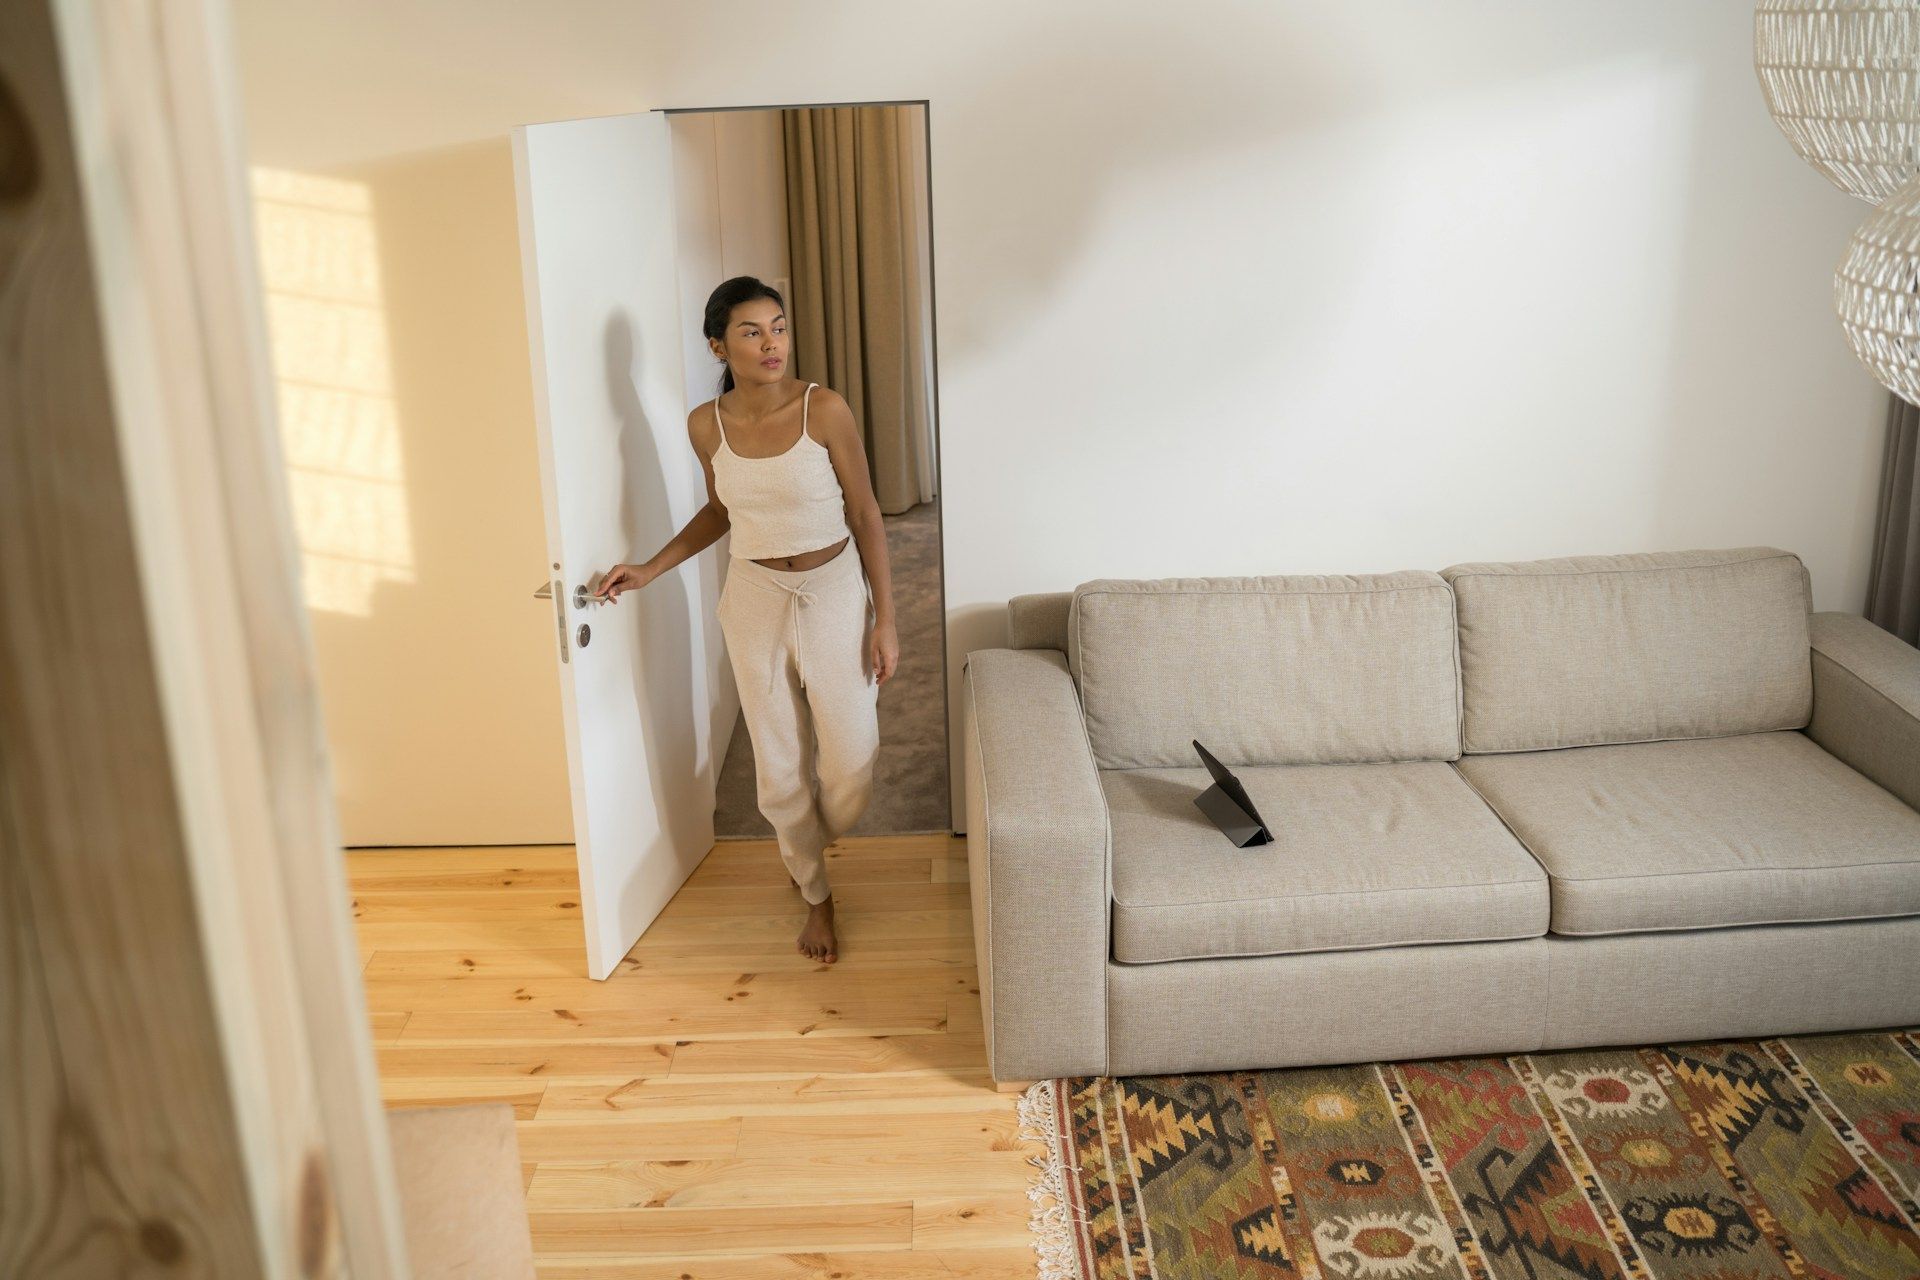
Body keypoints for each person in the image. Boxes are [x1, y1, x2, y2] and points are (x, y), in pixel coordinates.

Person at [593, 276, 899, 964]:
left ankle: (813, 839)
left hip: (835, 591)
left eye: (779, 328)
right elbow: (723, 512)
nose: (772, 344)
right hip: (754, 597)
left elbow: (867, 514)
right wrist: (649, 567)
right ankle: (815, 893)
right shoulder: (706, 424)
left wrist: (887, 619)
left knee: (851, 763)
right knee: (779, 766)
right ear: (718, 344)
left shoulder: (825, 410)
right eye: (752, 332)